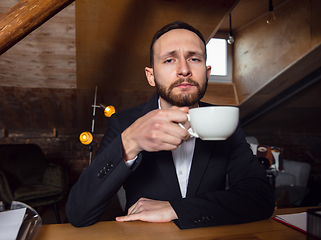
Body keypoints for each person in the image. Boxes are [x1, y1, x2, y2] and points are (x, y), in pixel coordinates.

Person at [66, 21, 275, 229]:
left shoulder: (224, 120)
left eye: (194, 58)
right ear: (151, 76)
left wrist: (175, 208)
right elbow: (78, 213)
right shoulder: (124, 123)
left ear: (207, 72)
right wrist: (129, 143)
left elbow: (260, 199)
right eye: (169, 60)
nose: (184, 69)